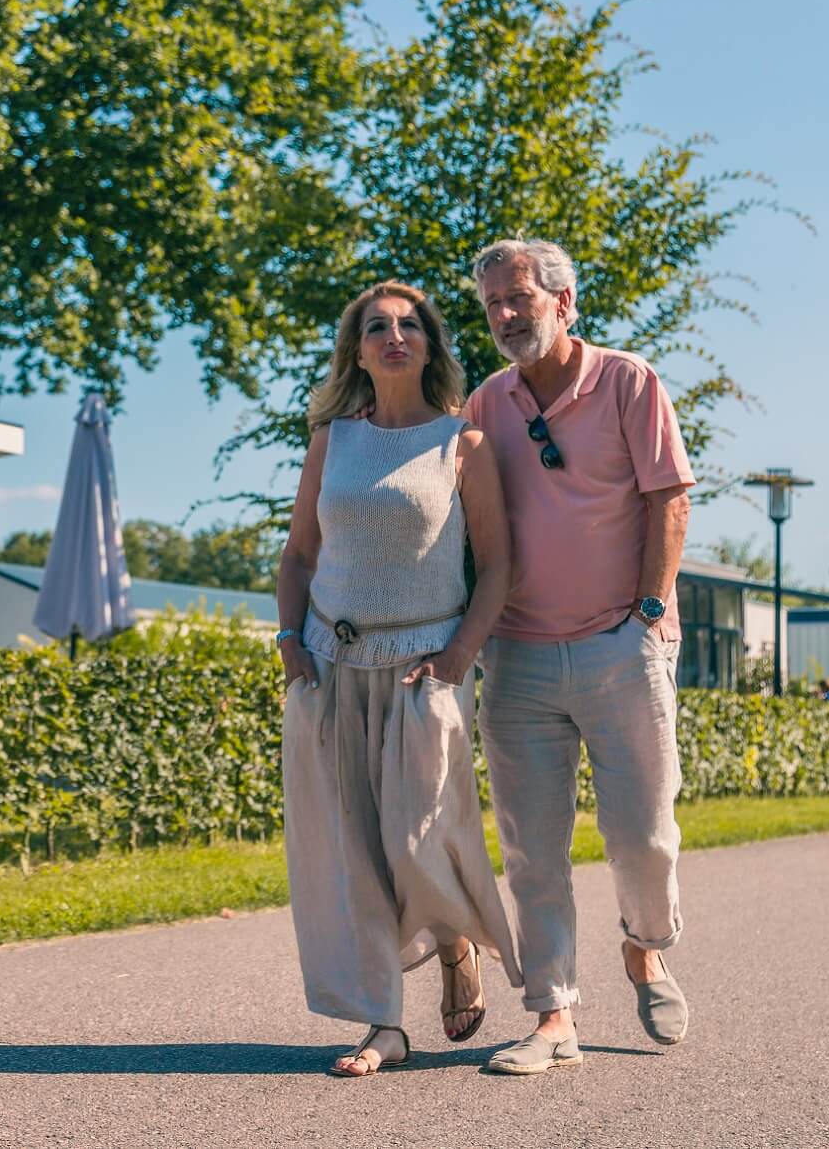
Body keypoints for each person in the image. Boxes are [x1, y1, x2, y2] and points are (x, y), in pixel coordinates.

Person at [274, 280, 523, 1078]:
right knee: (355, 852)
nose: (393, 336)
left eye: (408, 326)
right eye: (376, 327)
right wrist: (288, 638)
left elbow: (497, 568)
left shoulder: (463, 443)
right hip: (332, 664)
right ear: (356, 348)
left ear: (430, 344)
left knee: (416, 838)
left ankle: (455, 943)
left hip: (424, 669)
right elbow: (301, 555)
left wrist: (458, 659)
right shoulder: (331, 441)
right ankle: (383, 1024)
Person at [463, 238, 695, 1076]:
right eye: (492, 304)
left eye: (518, 298)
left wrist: (647, 611)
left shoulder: (629, 381)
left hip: (619, 644)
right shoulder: (486, 404)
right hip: (518, 655)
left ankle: (645, 947)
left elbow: (668, 496)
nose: (504, 315)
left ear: (565, 303)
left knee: (642, 835)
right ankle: (552, 1014)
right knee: (532, 845)